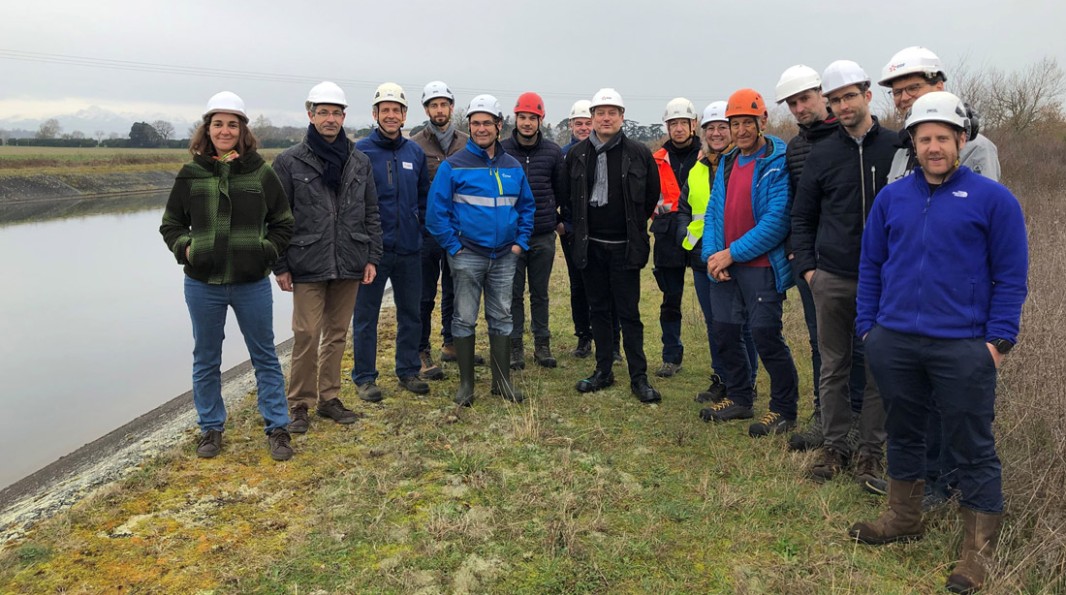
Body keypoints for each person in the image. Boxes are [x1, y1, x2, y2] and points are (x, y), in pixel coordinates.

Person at [849, 91, 1028, 594]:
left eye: (943, 138)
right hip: (895, 341)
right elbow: (871, 266)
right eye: (924, 138)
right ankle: (903, 518)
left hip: (964, 347)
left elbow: (1011, 276)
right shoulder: (892, 197)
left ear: (961, 140)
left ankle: (977, 555)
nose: (933, 147)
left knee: (973, 446)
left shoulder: (995, 200)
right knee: (904, 432)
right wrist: (870, 329)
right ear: (913, 143)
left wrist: (997, 341)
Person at [872, 46, 1004, 505]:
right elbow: (884, 242)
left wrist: (994, 338)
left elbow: (989, 250)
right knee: (914, 412)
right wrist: (871, 327)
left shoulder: (977, 150)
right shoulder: (901, 151)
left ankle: (947, 486)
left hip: (958, 322)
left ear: (939, 85)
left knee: (957, 417)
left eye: (914, 87)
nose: (905, 97)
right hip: (903, 319)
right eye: (899, 92)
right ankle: (922, 488)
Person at [160, 91, 295, 461]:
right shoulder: (191, 174)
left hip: (251, 283)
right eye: (217, 123)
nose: (224, 130)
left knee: (265, 355)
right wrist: (187, 248)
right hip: (203, 285)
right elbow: (171, 224)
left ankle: (278, 428)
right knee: (206, 358)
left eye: (232, 124)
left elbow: (283, 223)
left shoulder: (260, 173)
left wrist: (265, 251)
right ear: (207, 129)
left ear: (242, 130)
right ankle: (211, 428)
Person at [790, 60, 896, 483]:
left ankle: (870, 451)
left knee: (877, 367)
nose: (842, 105)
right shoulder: (823, 153)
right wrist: (811, 269)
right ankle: (835, 446)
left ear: (868, 95)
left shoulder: (897, 147)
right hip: (832, 276)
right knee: (833, 365)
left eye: (849, 95)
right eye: (834, 99)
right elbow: (803, 216)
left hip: (886, 281)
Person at [272, 82, 383, 434]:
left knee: (336, 333)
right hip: (307, 261)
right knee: (306, 333)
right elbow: (276, 217)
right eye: (323, 112)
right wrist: (280, 265)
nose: (330, 119)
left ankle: (329, 398)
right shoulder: (289, 162)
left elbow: (371, 212)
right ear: (310, 115)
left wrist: (371, 256)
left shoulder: (359, 161)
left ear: (344, 116)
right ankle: (299, 404)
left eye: (336, 113)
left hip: (350, 258)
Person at [775, 65, 867, 453]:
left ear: (822, 95)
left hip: (864, 264)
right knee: (822, 346)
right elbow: (800, 208)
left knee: (863, 345)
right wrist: (802, 260)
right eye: (792, 103)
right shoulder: (796, 147)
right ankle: (827, 419)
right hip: (818, 267)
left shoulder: (856, 139)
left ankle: (863, 423)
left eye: (805, 99)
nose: (799, 108)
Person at [699, 88, 799, 437]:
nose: (741, 130)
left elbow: (777, 220)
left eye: (747, 123)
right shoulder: (726, 162)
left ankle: (784, 409)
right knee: (725, 332)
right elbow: (713, 212)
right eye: (735, 123)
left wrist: (732, 253)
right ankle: (740, 397)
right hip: (725, 267)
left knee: (765, 336)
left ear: (762, 121)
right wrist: (713, 255)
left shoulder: (777, 160)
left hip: (760, 268)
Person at [425, 94, 535, 406]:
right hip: (467, 255)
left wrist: (519, 243)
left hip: (503, 256)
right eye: (475, 123)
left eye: (488, 122)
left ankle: (502, 382)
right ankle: (466, 385)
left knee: (501, 316)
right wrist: (454, 246)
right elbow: (436, 214)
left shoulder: (512, 167)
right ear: (469, 126)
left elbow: (527, 208)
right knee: (464, 318)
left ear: (499, 126)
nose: (481, 128)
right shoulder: (453, 166)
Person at [560, 88, 662, 404]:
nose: (606, 118)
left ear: (621, 116)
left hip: (624, 248)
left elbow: (650, 196)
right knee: (599, 311)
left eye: (612, 112)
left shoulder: (639, 153)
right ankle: (603, 370)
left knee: (629, 314)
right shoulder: (577, 155)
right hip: (591, 248)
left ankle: (639, 378)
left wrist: (632, 226)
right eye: (600, 113)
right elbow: (566, 197)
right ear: (591, 118)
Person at [351, 83, 431, 402]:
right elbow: (352, 201)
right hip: (374, 251)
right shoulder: (361, 152)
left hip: (410, 248)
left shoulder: (415, 152)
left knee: (410, 312)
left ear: (404, 115)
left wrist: (421, 230)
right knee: (366, 315)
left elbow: (424, 197)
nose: (391, 115)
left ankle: (408, 370)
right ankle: (365, 377)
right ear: (375, 114)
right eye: (385, 110)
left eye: (396, 110)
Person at [676, 101, 758, 404]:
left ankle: (747, 382)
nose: (717, 133)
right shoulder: (697, 168)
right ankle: (722, 378)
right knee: (716, 324)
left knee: (743, 325)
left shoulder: (746, 163)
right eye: (710, 128)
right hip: (704, 258)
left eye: (722, 127)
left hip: (740, 256)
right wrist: (684, 234)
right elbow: (685, 208)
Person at [410, 80, 482, 380]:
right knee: (425, 293)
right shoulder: (414, 144)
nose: (439, 110)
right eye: (433, 105)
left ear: (452, 108)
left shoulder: (469, 142)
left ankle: (451, 343)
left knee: (456, 288)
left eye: (444, 104)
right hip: (427, 230)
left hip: (461, 229)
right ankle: (421, 349)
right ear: (426, 109)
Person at [501, 92, 566, 369]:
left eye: (532, 118)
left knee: (539, 292)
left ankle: (542, 345)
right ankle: (515, 346)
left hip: (542, 234)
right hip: (511, 236)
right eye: (523, 117)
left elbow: (561, 189)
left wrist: (557, 218)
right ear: (515, 118)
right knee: (512, 293)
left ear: (541, 119)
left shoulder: (552, 152)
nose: (527, 123)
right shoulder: (501, 150)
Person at [560, 99, 622, 361]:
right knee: (579, 286)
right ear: (571, 125)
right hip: (574, 231)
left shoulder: (607, 150)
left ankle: (613, 343)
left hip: (601, 232)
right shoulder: (564, 154)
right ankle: (584, 337)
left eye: (587, 123)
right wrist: (561, 223)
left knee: (610, 288)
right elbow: (559, 191)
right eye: (579, 123)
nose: (584, 128)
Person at [650, 98, 702, 378]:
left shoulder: (710, 156)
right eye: (673, 123)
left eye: (683, 122)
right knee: (670, 299)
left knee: (713, 299)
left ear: (693, 124)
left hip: (703, 236)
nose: (678, 128)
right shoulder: (656, 159)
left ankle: (724, 361)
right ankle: (671, 356)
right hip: (668, 236)